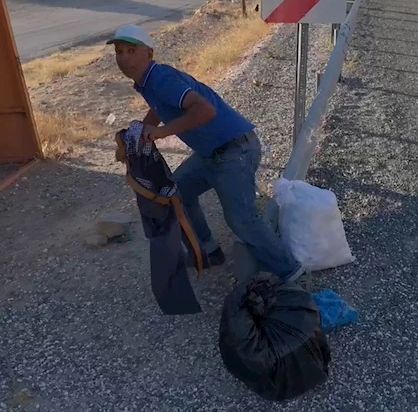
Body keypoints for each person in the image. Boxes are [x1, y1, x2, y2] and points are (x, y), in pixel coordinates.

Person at [107, 24, 310, 290]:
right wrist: (139, 133)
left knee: (242, 220)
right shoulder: (148, 82)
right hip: (211, 154)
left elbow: (205, 111)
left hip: (235, 152)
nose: (124, 58)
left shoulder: (161, 79)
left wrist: (159, 133)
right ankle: (208, 251)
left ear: (149, 53)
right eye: (119, 52)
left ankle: (293, 273)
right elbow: (159, 107)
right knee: (177, 194)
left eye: (131, 51)